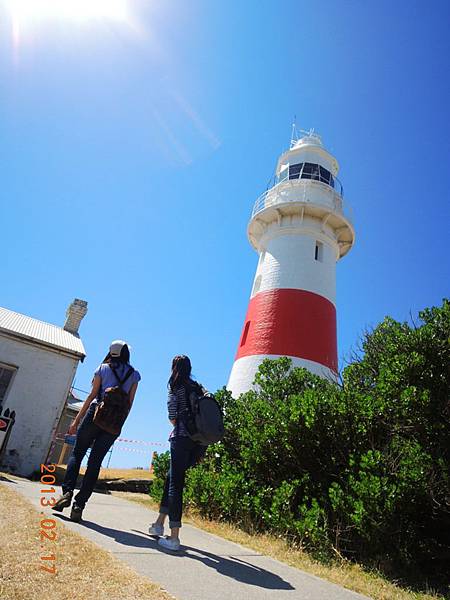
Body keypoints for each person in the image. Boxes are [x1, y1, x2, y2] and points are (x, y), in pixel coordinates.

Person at [53, 340, 141, 522]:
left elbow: (92, 395)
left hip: (95, 414)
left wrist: (76, 421)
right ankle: (79, 505)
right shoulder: (135, 375)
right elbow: (130, 404)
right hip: (114, 422)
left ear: (112, 352)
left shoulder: (103, 368)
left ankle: (67, 492)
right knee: (95, 463)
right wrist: (118, 426)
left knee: (77, 453)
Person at [149, 355, 207, 551]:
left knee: (176, 485)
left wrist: (181, 424)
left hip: (181, 438)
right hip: (198, 442)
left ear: (174, 368)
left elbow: (172, 417)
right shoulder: (198, 386)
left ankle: (174, 538)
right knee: (171, 477)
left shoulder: (176, 386)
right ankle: (158, 524)